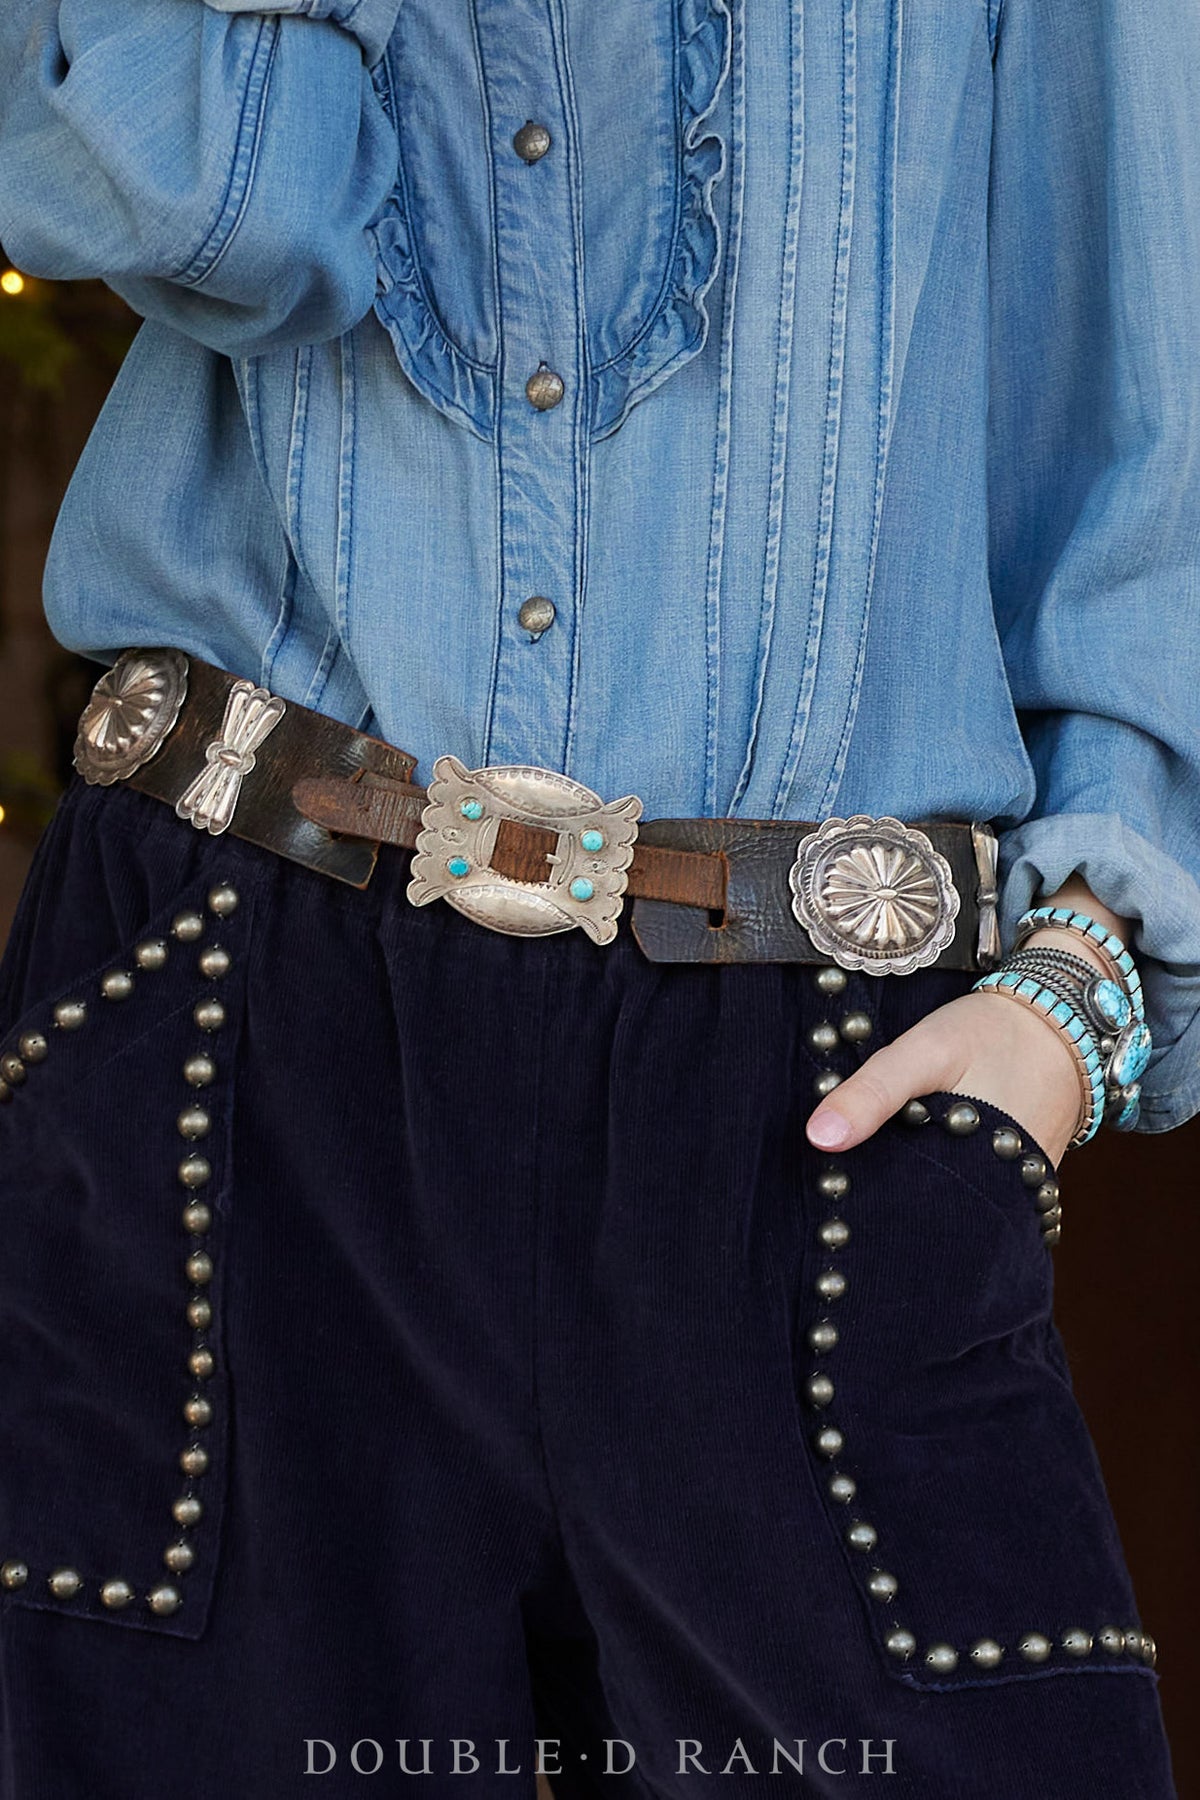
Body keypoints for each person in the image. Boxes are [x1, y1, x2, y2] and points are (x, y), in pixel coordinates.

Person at [0, 2, 1195, 1794]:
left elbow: (1158, 376)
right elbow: (213, 208)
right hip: (239, 1043)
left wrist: (1082, 980)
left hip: (820, 1103)